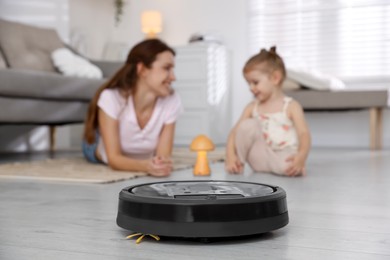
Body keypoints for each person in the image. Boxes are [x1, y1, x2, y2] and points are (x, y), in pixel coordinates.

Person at [82, 39, 182, 177]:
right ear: (142, 69)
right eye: (166, 68)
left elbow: (163, 157)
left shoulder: (172, 100)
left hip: (139, 152)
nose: (173, 77)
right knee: (94, 146)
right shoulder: (112, 98)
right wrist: (147, 166)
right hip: (97, 148)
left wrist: (160, 165)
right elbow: (114, 159)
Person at [225, 47, 311, 176]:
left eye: (255, 82)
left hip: (283, 155)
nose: (251, 88)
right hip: (259, 156)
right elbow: (234, 133)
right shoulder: (252, 107)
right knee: (246, 126)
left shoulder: (291, 106)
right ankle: (239, 163)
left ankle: (290, 167)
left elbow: (304, 134)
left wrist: (301, 157)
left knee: (288, 166)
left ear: (275, 78)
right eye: (248, 83)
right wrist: (230, 156)